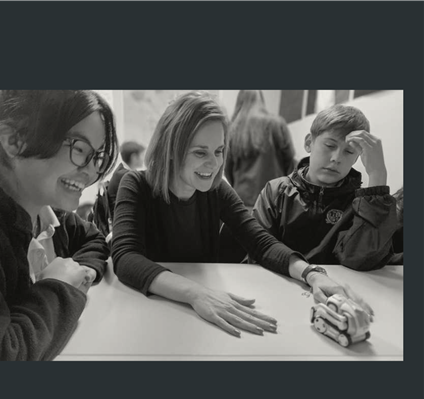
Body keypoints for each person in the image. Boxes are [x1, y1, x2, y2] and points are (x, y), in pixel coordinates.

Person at [111, 91, 373, 338]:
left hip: (199, 315)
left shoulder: (216, 189)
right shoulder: (135, 184)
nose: (213, 164)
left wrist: (312, 274)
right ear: (171, 150)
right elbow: (125, 257)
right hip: (149, 309)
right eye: (200, 152)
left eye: (219, 150)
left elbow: (260, 241)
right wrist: (196, 293)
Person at [0, 90, 118, 361]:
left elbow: (94, 239)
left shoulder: (52, 215)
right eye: (78, 149)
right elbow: (3, 353)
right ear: (13, 139)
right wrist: (59, 286)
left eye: (96, 157)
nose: (91, 172)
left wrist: (80, 271)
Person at [252, 104, 398, 271]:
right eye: (330, 146)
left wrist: (377, 175)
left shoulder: (361, 204)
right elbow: (259, 251)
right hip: (279, 285)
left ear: (357, 157)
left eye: (349, 152)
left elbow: (361, 261)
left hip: (338, 290)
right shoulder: (276, 191)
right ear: (309, 143)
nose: (336, 158)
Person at [225, 90, 296, 210]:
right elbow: (290, 163)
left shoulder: (233, 129)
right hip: (274, 201)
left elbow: (227, 168)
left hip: (242, 201)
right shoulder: (277, 124)